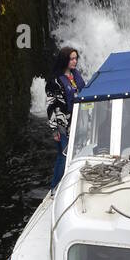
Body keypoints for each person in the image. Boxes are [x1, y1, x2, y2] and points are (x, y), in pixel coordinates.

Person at [46, 46, 86, 190]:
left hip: (78, 121)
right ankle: (55, 187)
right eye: (71, 59)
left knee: (77, 153)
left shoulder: (76, 75)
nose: (74, 62)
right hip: (63, 125)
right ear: (64, 60)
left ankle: (71, 184)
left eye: (76, 58)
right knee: (63, 156)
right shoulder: (54, 81)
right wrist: (54, 129)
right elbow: (50, 106)